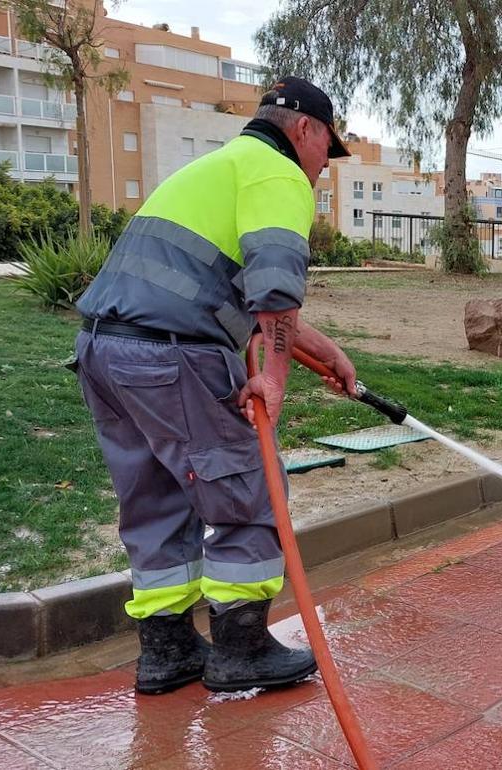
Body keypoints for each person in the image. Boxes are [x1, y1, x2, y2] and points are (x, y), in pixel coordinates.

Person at [71, 76, 357, 695]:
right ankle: (240, 648)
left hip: (105, 350)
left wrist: (324, 351)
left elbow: (252, 300)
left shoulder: (217, 168)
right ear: (305, 130)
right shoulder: (277, 173)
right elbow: (277, 290)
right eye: (326, 154)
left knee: (154, 499)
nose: (321, 171)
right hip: (172, 356)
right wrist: (273, 380)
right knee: (249, 485)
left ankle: (167, 650)